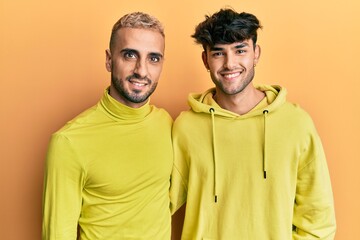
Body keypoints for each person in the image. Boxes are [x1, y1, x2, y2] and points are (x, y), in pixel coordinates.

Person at [170, 8, 336, 239]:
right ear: (205, 59)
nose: (230, 63)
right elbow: (155, 204)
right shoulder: (185, 128)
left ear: (256, 53)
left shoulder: (296, 124)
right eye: (218, 53)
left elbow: (318, 220)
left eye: (240, 50)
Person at [42, 12, 173, 240]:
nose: (142, 70)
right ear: (109, 60)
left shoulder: (167, 124)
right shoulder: (69, 141)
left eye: (153, 58)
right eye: (130, 55)